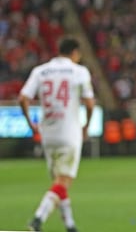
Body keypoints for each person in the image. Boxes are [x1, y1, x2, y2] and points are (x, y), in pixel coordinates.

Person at [19, 37, 95, 232]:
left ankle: (70, 226)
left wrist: (30, 123)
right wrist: (86, 126)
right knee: (63, 182)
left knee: (59, 183)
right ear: (75, 53)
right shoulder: (79, 71)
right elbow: (89, 103)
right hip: (69, 132)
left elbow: (23, 98)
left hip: (48, 134)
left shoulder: (40, 71)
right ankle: (37, 219)